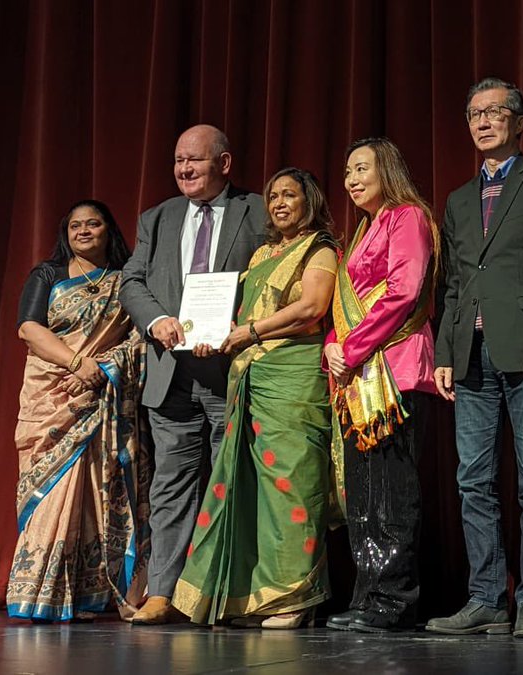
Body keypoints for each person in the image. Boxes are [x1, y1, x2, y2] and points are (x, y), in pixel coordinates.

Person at [427, 78, 523, 639]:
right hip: (471, 355)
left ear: (520, 121)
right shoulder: (460, 200)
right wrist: (445, 349)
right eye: (474, 114)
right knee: (473, 480)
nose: (483, 121)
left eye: (495, 111)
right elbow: (454, 283)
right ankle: (486, 597)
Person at [170, 168, 340, 628]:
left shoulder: (320, 248)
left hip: (294, 378)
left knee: (292, 484)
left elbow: (311, 310)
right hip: (251, 375)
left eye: (290, 194)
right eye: (273, 196)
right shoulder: (264, 252)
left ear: (311, 200)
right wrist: (212, 336)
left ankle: (294, 598)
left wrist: (249, 332)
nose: (280, 203)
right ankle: (248, 597)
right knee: (249, 489)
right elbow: (241, 317)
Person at [119, 124, 265, 625]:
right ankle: (163, 592)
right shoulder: (157, 218)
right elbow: (132, 280)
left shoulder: (259, 211)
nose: (184, 169)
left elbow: (275, 279)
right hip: (171, 374)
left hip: (232, 369)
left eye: (195, 161)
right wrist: (157, 320)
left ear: (224, 164)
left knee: (236, 483)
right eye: (178, 160)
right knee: (170, 487)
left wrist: (240, 328)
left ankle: (231, 594)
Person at [7, 199, 149, 622]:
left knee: (94, 496)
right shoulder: (47, 274)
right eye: (74, 226)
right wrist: (78, 363)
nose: (83, 231)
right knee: (51, 493)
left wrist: (103, 368)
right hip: (52, 399)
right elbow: (29, 329)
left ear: (110, 231)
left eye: (93, 224)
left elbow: (141, 339)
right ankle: (39, 593)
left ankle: (87, 593)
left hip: (102, 400)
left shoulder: (127, 282)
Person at [323, 137, 439, 633]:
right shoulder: (364, 229)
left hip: (396, 370)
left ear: (386, 170)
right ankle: (367, 595)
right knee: (364, 494)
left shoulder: (407, 216)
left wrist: (349, 350)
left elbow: (403, 291)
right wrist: (332, 345)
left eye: (361, 168)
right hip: (356, 376)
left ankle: (394, 600)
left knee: (392, 491)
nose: (351, 179)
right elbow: (344, 303)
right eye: (347, 170)